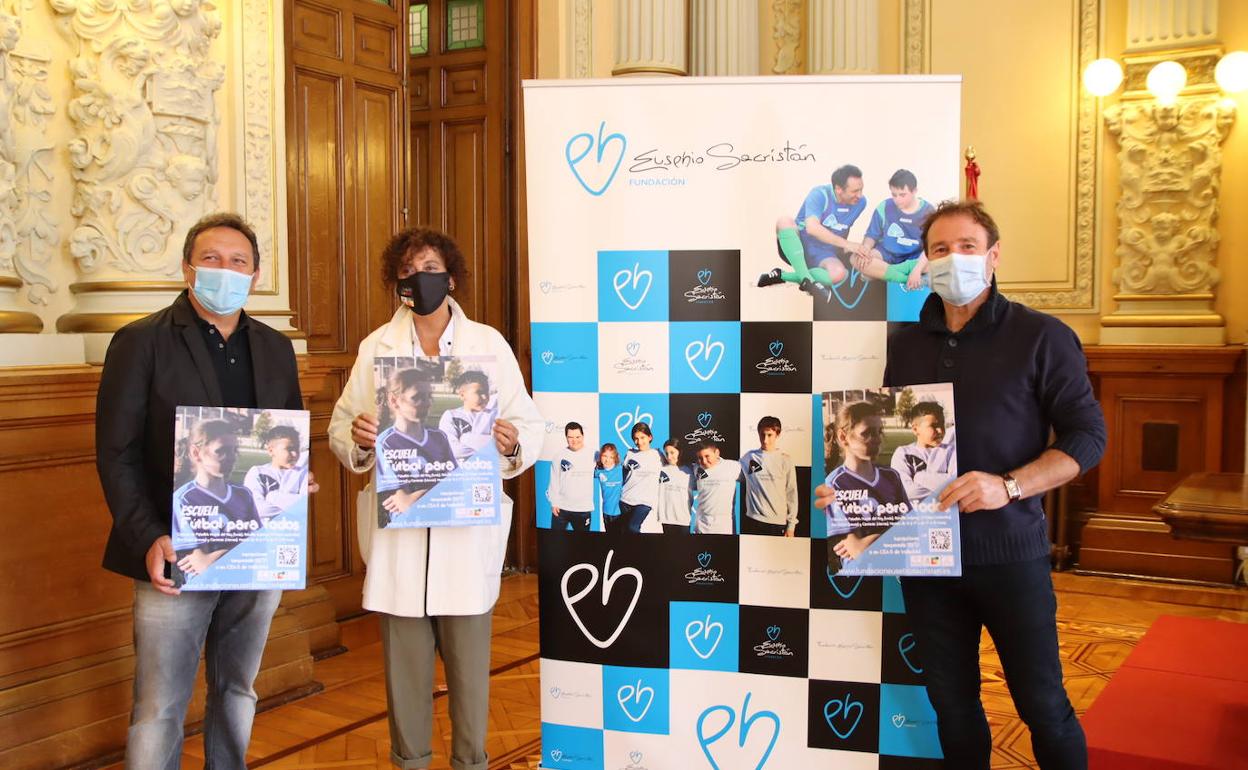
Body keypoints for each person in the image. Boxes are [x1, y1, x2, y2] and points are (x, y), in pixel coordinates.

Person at [882, 199, 1106, 769]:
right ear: (925, 260)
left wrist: (1008, 486)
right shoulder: (904, 344)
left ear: (994, 256)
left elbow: (1087, 438)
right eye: (940, 249)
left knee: (1043, 706)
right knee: (952, 708)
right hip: (927, 560)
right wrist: (856, 490)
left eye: (968, 247)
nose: (953, 258)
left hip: (1011, 554)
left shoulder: (1042, 336)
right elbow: (897, 447)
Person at [95, 212, 308, 769]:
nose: (224, 270)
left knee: (238, 690)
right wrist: (149, 536)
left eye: (238, 262)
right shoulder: (141, 341)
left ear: (255, 275)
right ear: (187, 268)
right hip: (173, 551)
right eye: (211, 258)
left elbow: (286, 436)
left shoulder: (275, 348)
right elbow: (116, 453)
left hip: (256, 549)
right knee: (158, 705)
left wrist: (296, 478)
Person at [329, 227, 543, 770]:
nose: (418, 279)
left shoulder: (487, 345)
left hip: (465, 536)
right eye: (407, 271)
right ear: (396, 281)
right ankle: (410, 762)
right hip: (399, 539)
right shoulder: (376, 348)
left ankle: (471, 762)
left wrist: (512, 441)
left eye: (429, 268)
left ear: (449, 277)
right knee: (404, 679)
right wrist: (358, 437)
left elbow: (529, 422)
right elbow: (340, 426)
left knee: (470, 677)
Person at [819, 402, 910, 576]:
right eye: (867, 433)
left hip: (897, 571)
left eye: (879, 432)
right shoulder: (834, 485)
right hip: (861, 578)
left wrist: (874, 539)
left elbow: (913, 530)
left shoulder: (892, 477)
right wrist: (897, 532)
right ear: (843, 437)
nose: (877, 439)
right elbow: (859, 551)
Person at [757, 164, 866, 304]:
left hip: (824, 252)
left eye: (861, 190)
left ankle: (783, 276)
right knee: (784, 221)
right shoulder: (819, 194)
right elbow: (812, 228)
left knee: (840, 273)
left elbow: (844, 226)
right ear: (838, 189)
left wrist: (846, 249)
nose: (860, 195)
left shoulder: (861, 203)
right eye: (855, 191)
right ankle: (808, 280)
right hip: (798, 245)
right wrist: (848, 244)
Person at [172, 419, 264, 580]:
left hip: (245, 582)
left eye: (234, 450)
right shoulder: (183, 499)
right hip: (203, 587)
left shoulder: (244, 494)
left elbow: (260, 546)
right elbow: (202, 565)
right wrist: (244, 551)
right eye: (221, 451)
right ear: (196, 453)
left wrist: (217, 556)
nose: (232, 457)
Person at [374, 367, 457, 527]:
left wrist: (421, 495)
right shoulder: (385, 444)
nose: (427, 403)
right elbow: (406, 505)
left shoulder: (439, 437)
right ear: (394, 400)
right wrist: (442, 490)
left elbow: (457, 485)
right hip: (406, 527)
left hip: (445, 522)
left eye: (429, 396)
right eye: (417, 397)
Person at [850, 169, 935, 289]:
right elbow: (871, 235)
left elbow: (930, 247)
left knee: (935, 263)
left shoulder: (928, 212)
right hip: (887, 255)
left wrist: (917, 269)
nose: (897, 200)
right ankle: (903, 278)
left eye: (902, 195)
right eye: (894, 195)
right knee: (855, 258)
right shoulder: (884, 206)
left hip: (914, 259)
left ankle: (882, 273)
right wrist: (866, 250)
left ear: (914, 191)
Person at [740, 416, 799, 537]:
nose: (765, 440)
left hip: (777, 523)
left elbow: (791, 494)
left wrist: (791, 526)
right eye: (762, 434)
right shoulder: (749, 457)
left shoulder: (785, 460)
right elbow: (732, 473)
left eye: (769, 435)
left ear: (777, 435)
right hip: (753, 520)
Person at [890, 401, 957, 506]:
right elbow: (907, 493)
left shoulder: (951, 451)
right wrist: (943, 485)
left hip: (945, 514)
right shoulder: (903, 453)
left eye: (942, 424)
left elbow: (956, 486)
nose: (940, 430)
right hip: (915, 515)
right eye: (934, 426)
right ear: (915, 429)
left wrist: (919, 477)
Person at [243, 424, 309, 522]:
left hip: (294, 531)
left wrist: (272, 497)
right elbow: (256, 509)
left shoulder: (303, 474)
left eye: (297, 449)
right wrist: (294, 510)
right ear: (271, 451)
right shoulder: (257, 472)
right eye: (289, 449)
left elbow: (306, 507)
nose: (295, 454)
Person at [439, 369, 497, 462]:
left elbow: (500, 447)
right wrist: (488, 449)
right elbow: (452, 450)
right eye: (479, 392)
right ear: (462, 395)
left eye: (486, 392)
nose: (485, 397)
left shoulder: (494, 416)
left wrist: (466, 439)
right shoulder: (451, 416)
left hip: (487, 470)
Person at [547, 422, 595, 532]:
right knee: (555, 540)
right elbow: (554, 480)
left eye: (578, 437)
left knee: (582, 542)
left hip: (583, 509)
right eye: (570, 437)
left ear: (583, 436)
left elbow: (610, 465)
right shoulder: (559, 456)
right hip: (561, 509)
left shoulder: (594, 454)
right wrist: (554, 503)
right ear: (566, 437)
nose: (574, 440)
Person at [619, 422, 663, 534]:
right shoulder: (630, 453)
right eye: (636, 438)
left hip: (645, 502)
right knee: (625, 532)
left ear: (650, 437)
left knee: (633, 527)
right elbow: (624, 475)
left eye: (642, 437)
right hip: (626, 500)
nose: (639, 442)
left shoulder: (658, 455)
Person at [691, 442, 740, 535]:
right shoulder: (696, 468)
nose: (704, 461)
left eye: (707, 456)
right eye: (700, 458)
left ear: (717, 453)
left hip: (724, 525)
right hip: (701, 525)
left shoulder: (733, 467)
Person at [655, 438, 694, 535]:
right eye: (666, 453)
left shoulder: (690, 471)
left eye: (672, 452)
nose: (669, 456)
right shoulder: (660, 469)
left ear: (680, 452)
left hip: (683, 519)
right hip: (665, 519)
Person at [595, 443, 624, 533]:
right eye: (605, 456)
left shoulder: (621, 469)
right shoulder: (598, 471)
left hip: (620, 512)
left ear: (615, 458)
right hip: (606, 510)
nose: (607, 460)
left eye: (611, 457)